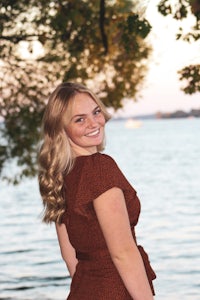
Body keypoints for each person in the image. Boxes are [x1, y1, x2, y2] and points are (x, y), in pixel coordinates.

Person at [38, 82, 156, 300]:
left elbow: (69, 255)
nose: (94, 123)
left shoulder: (60, 174)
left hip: (83, 291)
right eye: (79, 119)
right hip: (116, 291)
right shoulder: (98, 168)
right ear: (62, 128)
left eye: (96, 112)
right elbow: (123, 253)